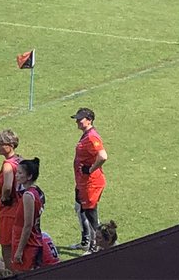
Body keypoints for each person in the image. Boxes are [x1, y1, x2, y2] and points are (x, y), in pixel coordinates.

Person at [72, 107, 108, 253]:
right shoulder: (86, 135)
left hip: (90, 183)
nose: (77, 122)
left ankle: (98, 245)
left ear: (89, 120)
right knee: (80, 209)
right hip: (82, 182)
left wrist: (91, 169)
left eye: (80, 119)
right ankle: (86, 240)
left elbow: (103, 156)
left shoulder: (92, 137)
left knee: (91, 214)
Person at [10, 158, 46, 273]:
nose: (17, 176)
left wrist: (20, 250)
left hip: (28, 244)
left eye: (20, 173)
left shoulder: (28, 196)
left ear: (29, 176)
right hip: (34, 239)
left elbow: (28, 225)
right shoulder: (37, 191)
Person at [0, 130, 22, 265]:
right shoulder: (20, 160)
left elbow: (7, 186)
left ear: (9, 145)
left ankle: (10, 271)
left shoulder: (7, 165)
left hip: (9, 210)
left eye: (0, 144)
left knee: (6, 244)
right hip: (20, 206)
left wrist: (5, 199)